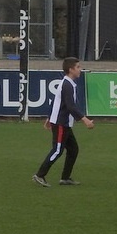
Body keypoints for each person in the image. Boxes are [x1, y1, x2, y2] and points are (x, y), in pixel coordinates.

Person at [32, 57, 94, 187]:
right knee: (57, 150)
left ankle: (65, 178)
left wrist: (49, 118)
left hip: (62, 122)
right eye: (78, 67)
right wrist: (85, 120)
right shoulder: (67, 84)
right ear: (71, 70)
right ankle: (39, 175)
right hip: (61, 123)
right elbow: (70, 106)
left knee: (73, 149)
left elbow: (55, 101)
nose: (80, 69)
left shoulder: (67, 83)